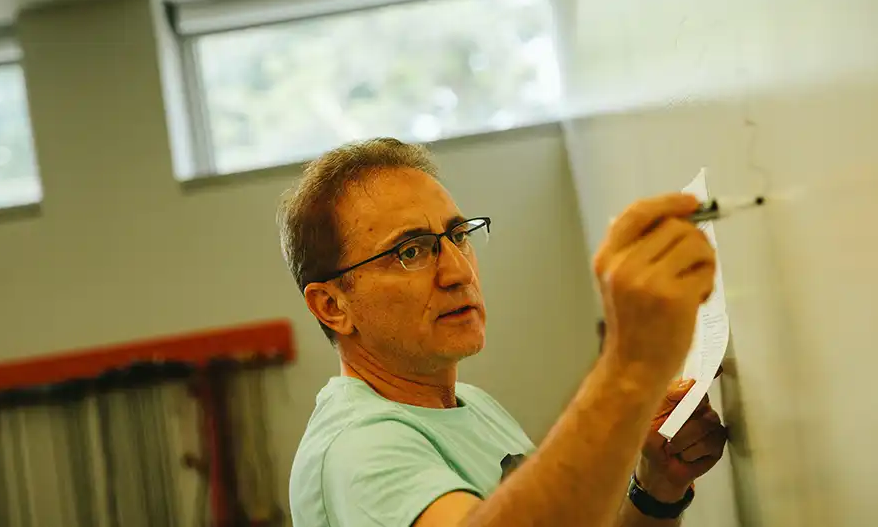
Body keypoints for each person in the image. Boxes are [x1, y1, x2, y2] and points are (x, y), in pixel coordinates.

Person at [279, 138, 727, 526]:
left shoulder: (472, 406)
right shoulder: (357, 450)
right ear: (332, 306)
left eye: (458, 236)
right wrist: (630, 367)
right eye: (410, 251)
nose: (457, 272)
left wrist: (656, 489)